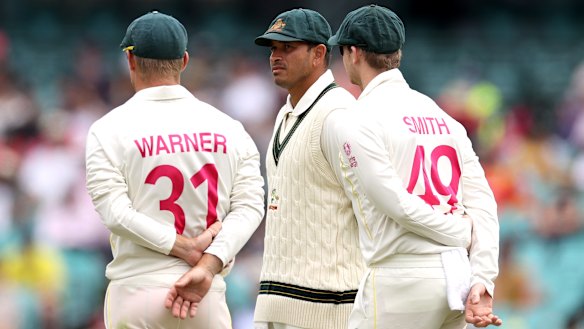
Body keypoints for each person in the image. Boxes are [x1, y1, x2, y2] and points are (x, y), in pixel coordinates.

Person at [252, 8, 473, 329]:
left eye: (288, 47)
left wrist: (459, 234)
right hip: (282, 298)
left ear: (319, 54)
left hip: (328, 302)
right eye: (272, 48)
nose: (276, 56)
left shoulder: (339, 114)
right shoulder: (286, 114)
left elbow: (379, 205)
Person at [85, 11, 265, 328]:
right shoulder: (229, 127)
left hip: (136, 292)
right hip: (204, 295)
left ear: (131, 61)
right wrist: (208, 262)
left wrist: (182, 247)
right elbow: (250, 206)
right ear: (184, 61)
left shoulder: (107, 128)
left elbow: (115, 212)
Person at [328, 4, 503, 328]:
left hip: (399, 277)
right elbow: (483, 203)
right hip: (457, 278)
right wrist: (483, 277)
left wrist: (459, 233)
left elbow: (396, 204)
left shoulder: (356, 118)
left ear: (353, 53)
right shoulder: (442, 116)